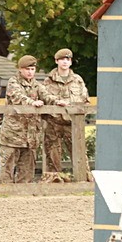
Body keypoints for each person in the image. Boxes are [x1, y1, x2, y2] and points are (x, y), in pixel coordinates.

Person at [0, 56, 62, 184]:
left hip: (31, 137)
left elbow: (46, 95)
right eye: (27, 69)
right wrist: (32, 102)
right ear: (20, 69)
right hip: (13, 136)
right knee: (6, 169)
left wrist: (57, 101)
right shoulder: (13, 82)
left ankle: (23, 198)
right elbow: (18, 97)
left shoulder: (36, 85)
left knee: (27, 171)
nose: (30, 72)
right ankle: (2, 196)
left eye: (32, 69)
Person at [40, 48, 91, 183]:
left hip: (72, 123)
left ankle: (84, 182)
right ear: (56, 61)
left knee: (79, 154)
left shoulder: (77, 80)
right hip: (53, 123)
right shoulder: (48, 81)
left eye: (67, 59)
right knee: (52, 155)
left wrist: (70, 105)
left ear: (71, 62)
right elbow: (44, 98)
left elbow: (85, 99)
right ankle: (54, 184)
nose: (65, 62)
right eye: (62, 59)